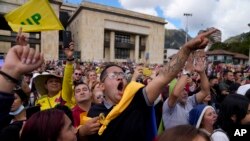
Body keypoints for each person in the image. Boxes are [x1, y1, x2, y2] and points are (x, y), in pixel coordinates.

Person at [87, 28, 217, 141]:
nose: (120, 78)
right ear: (102, 85)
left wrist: (186, 48)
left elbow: (163, 77)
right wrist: (81, 133)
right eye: (113, 75)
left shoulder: (135, 100)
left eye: (122, 75)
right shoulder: (94, 112)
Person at [162, 50, 210, 130]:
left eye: (185, 90)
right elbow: (175, 94)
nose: (185, 93)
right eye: (182, 90)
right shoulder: (169, 106)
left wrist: (202, 73)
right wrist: (187, 72)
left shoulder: (189, 101)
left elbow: (205, 92)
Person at [0, 44, 44, 130]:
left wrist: (13, 71)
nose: (11, 102)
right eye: (10, 99)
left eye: (15, 98)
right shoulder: (6, 122)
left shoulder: (35, 121)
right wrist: (12, 70)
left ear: (23, 101)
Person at [34, 42, 75, 110]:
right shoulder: (39, 101)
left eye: (57, 81)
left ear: (61, 85)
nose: (54, 83)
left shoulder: (64, 95)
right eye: (51, 81)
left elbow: (67, 79)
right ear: (45, 86)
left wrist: (69, 59)